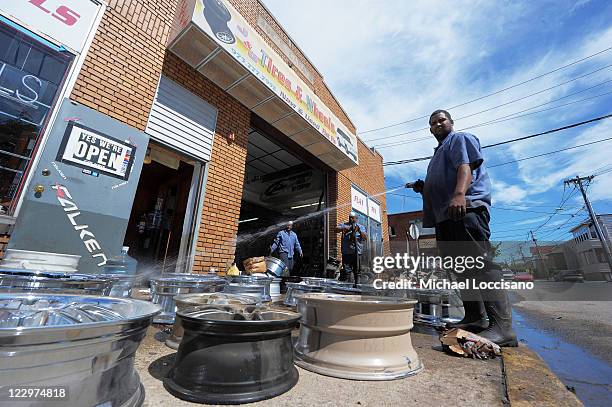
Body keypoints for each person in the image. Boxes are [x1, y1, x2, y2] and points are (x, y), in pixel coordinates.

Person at [412, 109, 517, 347]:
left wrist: (460, 194)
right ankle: (475, 317)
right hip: (445, 217)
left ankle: (503, 328)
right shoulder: (438, 153)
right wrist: (423, 187)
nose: (438, 124)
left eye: (442, 120)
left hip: (465, 209)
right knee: (462, 269)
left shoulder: (460, 139)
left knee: (479, 264)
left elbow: (464, 167)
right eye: (433, 123)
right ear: (430, 129)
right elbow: (441, 180)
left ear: (451, 122)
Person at [335, 212, 367, 283]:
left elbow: (365, 237)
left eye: (353, 217)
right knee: (347, 271)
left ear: (356, 218)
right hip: (346, 252)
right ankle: (347, 285)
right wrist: (345, 228)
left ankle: (357, 284)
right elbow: (336, 229)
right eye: (350, 217)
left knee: (357, 271)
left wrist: (359, 230)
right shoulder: (345, 225)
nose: (351, 219)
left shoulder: (361, 227)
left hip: (357, 253)